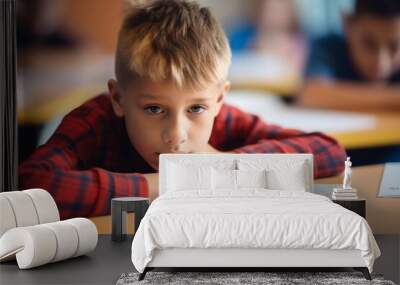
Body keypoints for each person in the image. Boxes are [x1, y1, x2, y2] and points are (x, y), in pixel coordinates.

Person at [19, 0, 346, 219]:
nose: (176, 134)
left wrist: (227, 165)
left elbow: (328, 150)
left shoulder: (223, 120)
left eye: (195, 109)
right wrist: (163, 183)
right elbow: (31, 183)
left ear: (219, 100)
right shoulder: (96, 121)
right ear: (118, 99)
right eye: (153, 109)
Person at [299, 0, 400, 110]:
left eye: (394, 48)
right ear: (347, 23)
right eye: (369, 44)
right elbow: (311, 94)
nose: (382, 63)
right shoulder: (329, 47)